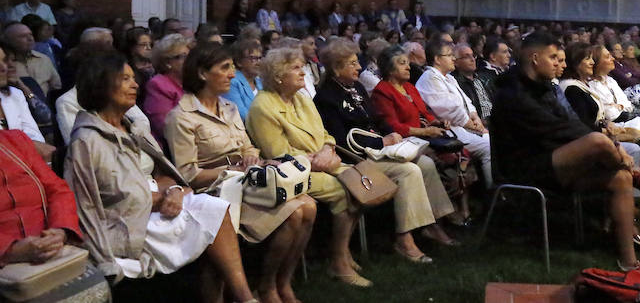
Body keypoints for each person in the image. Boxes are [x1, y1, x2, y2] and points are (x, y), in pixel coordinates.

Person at [64, 52, 258, 302]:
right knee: (210, 216)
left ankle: (241, 297)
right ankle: (244, 298)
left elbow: (167, 174)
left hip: (158, 202)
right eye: (125, 79)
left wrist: (175, 191)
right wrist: (160, 197)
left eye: (134, 78)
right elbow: (90, 207)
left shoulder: (132, 126)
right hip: (126, 223)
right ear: (100, 83)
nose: (135, 85)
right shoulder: (86, 141)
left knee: (215, 209)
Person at [165, 43, 316, 303]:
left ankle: (280, 282)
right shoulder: (181, 117)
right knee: (297, 210)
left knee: (309, 206)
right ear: (202, 73)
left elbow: (247, 145)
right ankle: (267, 287)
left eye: (232, 68)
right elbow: (187, 174)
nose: (232, 75)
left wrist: (252, 157)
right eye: (225, 68)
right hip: (215, 193)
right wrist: (232, 169)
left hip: (246, 182)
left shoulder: (229, 108)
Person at [490, 33, 640, 271]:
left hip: (553, 160)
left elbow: (569, 124)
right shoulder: (512, 94)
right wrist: (612, 148)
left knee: (621, 177)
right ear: (534, 58)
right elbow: (555, 129)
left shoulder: (543, 88)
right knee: (598, 143)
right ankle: (632, 171)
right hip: (524, 169)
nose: (560, 64)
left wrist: (613, 147)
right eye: (553, 58)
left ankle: (630, 263)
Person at [314, 39, 460, 256]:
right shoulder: (326, 98)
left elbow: (377, 119)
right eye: (353, 63)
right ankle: (404, 239)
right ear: (337, 67)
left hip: (377, 150)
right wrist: (381, 141)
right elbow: (341, 140)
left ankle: (432, 224)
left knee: (426, 163)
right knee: (409, 171)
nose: (359, 67)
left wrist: (391, 132)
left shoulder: (356, 87)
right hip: (356, 159)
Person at [246, 47, 371, 287]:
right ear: (278, 75)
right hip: (292, 175)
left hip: (323, 162)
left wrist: (328, 150)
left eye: (302, 67)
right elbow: (279, 155)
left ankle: (342, 251)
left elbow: (324, 134)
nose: (303, 73)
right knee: (345, 190)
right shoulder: (263, 107)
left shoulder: (302, 98)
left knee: (360, 182)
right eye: (295, 68)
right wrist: (321, 161)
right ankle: (337, 261)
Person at [370, 45, 477, 226]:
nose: (408, 67)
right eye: (402, 63)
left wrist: (437, 122)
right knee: (440, 159)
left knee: (462, 154)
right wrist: (425, 131)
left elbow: (425, 113)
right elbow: (392, 126)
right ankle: (442, 216)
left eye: (407, 63)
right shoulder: (383, 91)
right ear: (389, 68)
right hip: (405, 141)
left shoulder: (410, 88)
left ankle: (463, 209)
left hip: (425, 136)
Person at [563, 43, 640, 209]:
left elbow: (622, 105)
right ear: (575, 63)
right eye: (588, 59)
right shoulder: (574, 87)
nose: (592, 63)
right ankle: (635, 193)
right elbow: (591, 119)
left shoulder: (600, 82)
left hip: (613, 125)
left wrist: (609, 119)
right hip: (597, 135)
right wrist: (607, 125)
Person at [0, 129, 86, 285]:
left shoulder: (16, 140)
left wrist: (60, 230)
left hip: (52, 247)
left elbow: (57, 190)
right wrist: (12, 251)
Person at [415, 40, 493, 188]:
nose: (453, 58)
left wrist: (475, 117)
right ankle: (493, 191)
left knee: (494, 139)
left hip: (464, 127)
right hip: (448, 131)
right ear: (437, 59)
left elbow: (466, 102)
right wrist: (476, 127)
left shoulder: (449, 78)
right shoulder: (429, 78)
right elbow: (450, 110)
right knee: (489, 145)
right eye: (449, 55)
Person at [143, 34, 191, 144]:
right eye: (183, 56)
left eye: (190, 56)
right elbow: (166, 128)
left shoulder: (190, 83)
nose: (189, 61)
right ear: (167, 62)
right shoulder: (158, 85)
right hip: (175, 148)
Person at [4, 22, 61, 95]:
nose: (30, 39)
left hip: (45, 104)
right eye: (22, 36)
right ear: (9, 40)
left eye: (31, 34)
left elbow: (56, 87)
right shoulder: (5, 64)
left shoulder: (43, 59)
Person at [221, 39, 263, 122]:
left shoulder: (260, 81)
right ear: (239, 61)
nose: (258, 62)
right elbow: (242, 116)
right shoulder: (232, 82)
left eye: (259, 58)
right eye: (253, 58)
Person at [451, 43, 493, 122]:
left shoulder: (482, 78)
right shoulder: (454, 83)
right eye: (467, 56)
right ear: (455, 62)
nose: (472, 59)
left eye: (473, 55)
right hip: (476, 124)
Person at [120, 27, 155, 104]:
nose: (148, 48)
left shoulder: (156, 65)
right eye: (143, 45)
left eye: (150, 44)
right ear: (132, 47)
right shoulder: (125, 68)